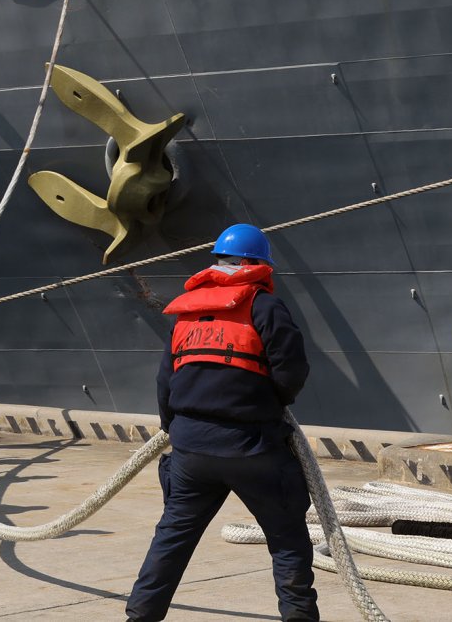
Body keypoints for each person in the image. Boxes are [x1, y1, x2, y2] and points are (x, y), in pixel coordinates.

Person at [126, 224, 318, 622]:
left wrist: (175, 430)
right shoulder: (264, 307)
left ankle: (140, 616)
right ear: (259, 265)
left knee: (172, 538)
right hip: (252, 446)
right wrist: (270, 403)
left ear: (218, 262)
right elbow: (291, 370)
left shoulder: (188, 311)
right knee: (286, 540)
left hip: (191, 450)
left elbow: (166, 380)